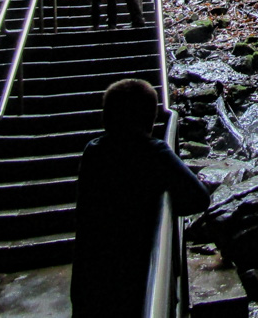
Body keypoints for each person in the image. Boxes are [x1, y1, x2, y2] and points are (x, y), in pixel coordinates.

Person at [71, 79, 209, 318]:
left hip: (90, 276)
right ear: (150, 119)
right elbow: (199, 198)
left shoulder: (93, 151)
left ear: (106, 117)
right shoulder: (153, 151)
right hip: (135, 276)